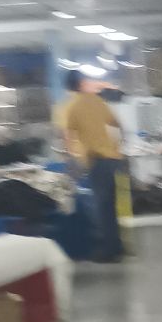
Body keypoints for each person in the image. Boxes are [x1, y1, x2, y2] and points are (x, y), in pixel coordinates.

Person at [61, 72, 125, 262]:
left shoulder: (72, 106)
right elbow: (116, 124)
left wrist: (71, 157)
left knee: (102, 207)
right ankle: (117, 247)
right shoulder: (97, 101)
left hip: (96, 161)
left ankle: (108, 252)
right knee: (111, 206)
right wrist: (116, 147)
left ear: (69, 88)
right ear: (81, 84)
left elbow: (68, 136)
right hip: (113, 159)